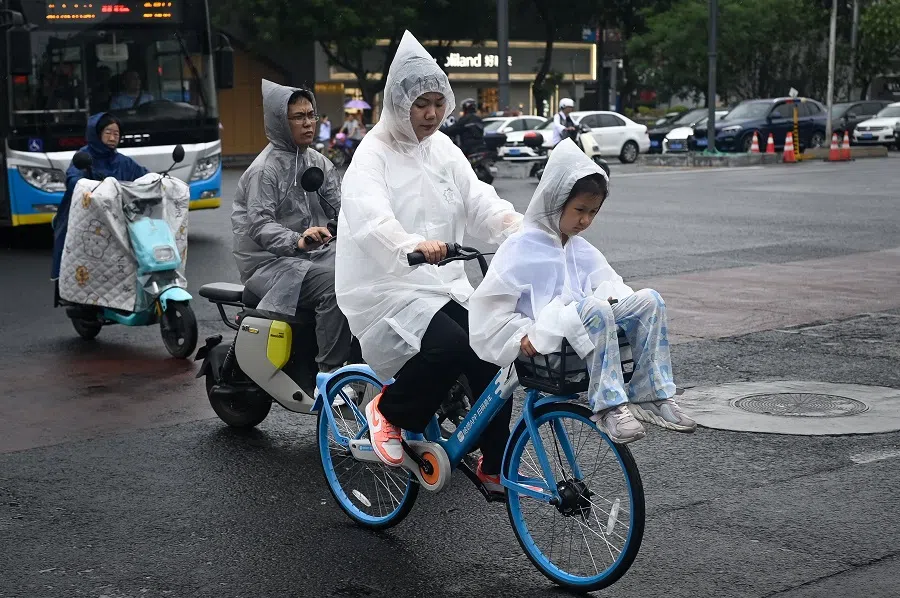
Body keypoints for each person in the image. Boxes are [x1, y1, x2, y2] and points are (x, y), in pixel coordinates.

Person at [335, 31, 523, 492]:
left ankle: (493, 463)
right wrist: (412, 244)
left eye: (439, 103)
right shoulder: (371, 154)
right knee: (451, 346)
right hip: (388, 285)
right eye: (422, 104)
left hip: (443, 281)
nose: (433, 114)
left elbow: (477, 196)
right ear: (399, 102)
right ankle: (388, 410)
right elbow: (371, 217)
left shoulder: (443, 148)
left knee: (494, 349)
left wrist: (514, 226)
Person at [468, 139, 696, 444]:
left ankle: (651, 394)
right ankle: (610, 406)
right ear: (555, 201)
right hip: (548, 351)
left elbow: (613, 286)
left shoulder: (579, 249)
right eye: (579, 210)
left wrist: (616, 302)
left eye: (593, 212)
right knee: (595, 308)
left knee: (649, 300)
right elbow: (489, 310)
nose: (586, 220)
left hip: (583, 344)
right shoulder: (520, 247)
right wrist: (519, 335)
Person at [231, 80, 354, 375]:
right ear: (279, 122)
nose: (309, 123)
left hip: (310, 257)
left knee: (367, 273)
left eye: (311, 115)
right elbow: (259, 224)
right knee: (335, 288)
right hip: (270, 264)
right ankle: (331, 378)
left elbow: (344, 210)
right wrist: (298, 240)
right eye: (299, 117)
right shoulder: (265, 170)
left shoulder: (319, 163)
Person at [52, 112, 149, 281]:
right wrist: (90, 186)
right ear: (97, 134)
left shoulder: (123, 161)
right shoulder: (84, 156)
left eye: (116, 134)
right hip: (88, 217)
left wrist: (160, 181)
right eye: (108, 133)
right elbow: (73, 179)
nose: (113, 137)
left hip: (119, 217)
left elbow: (144, 176)